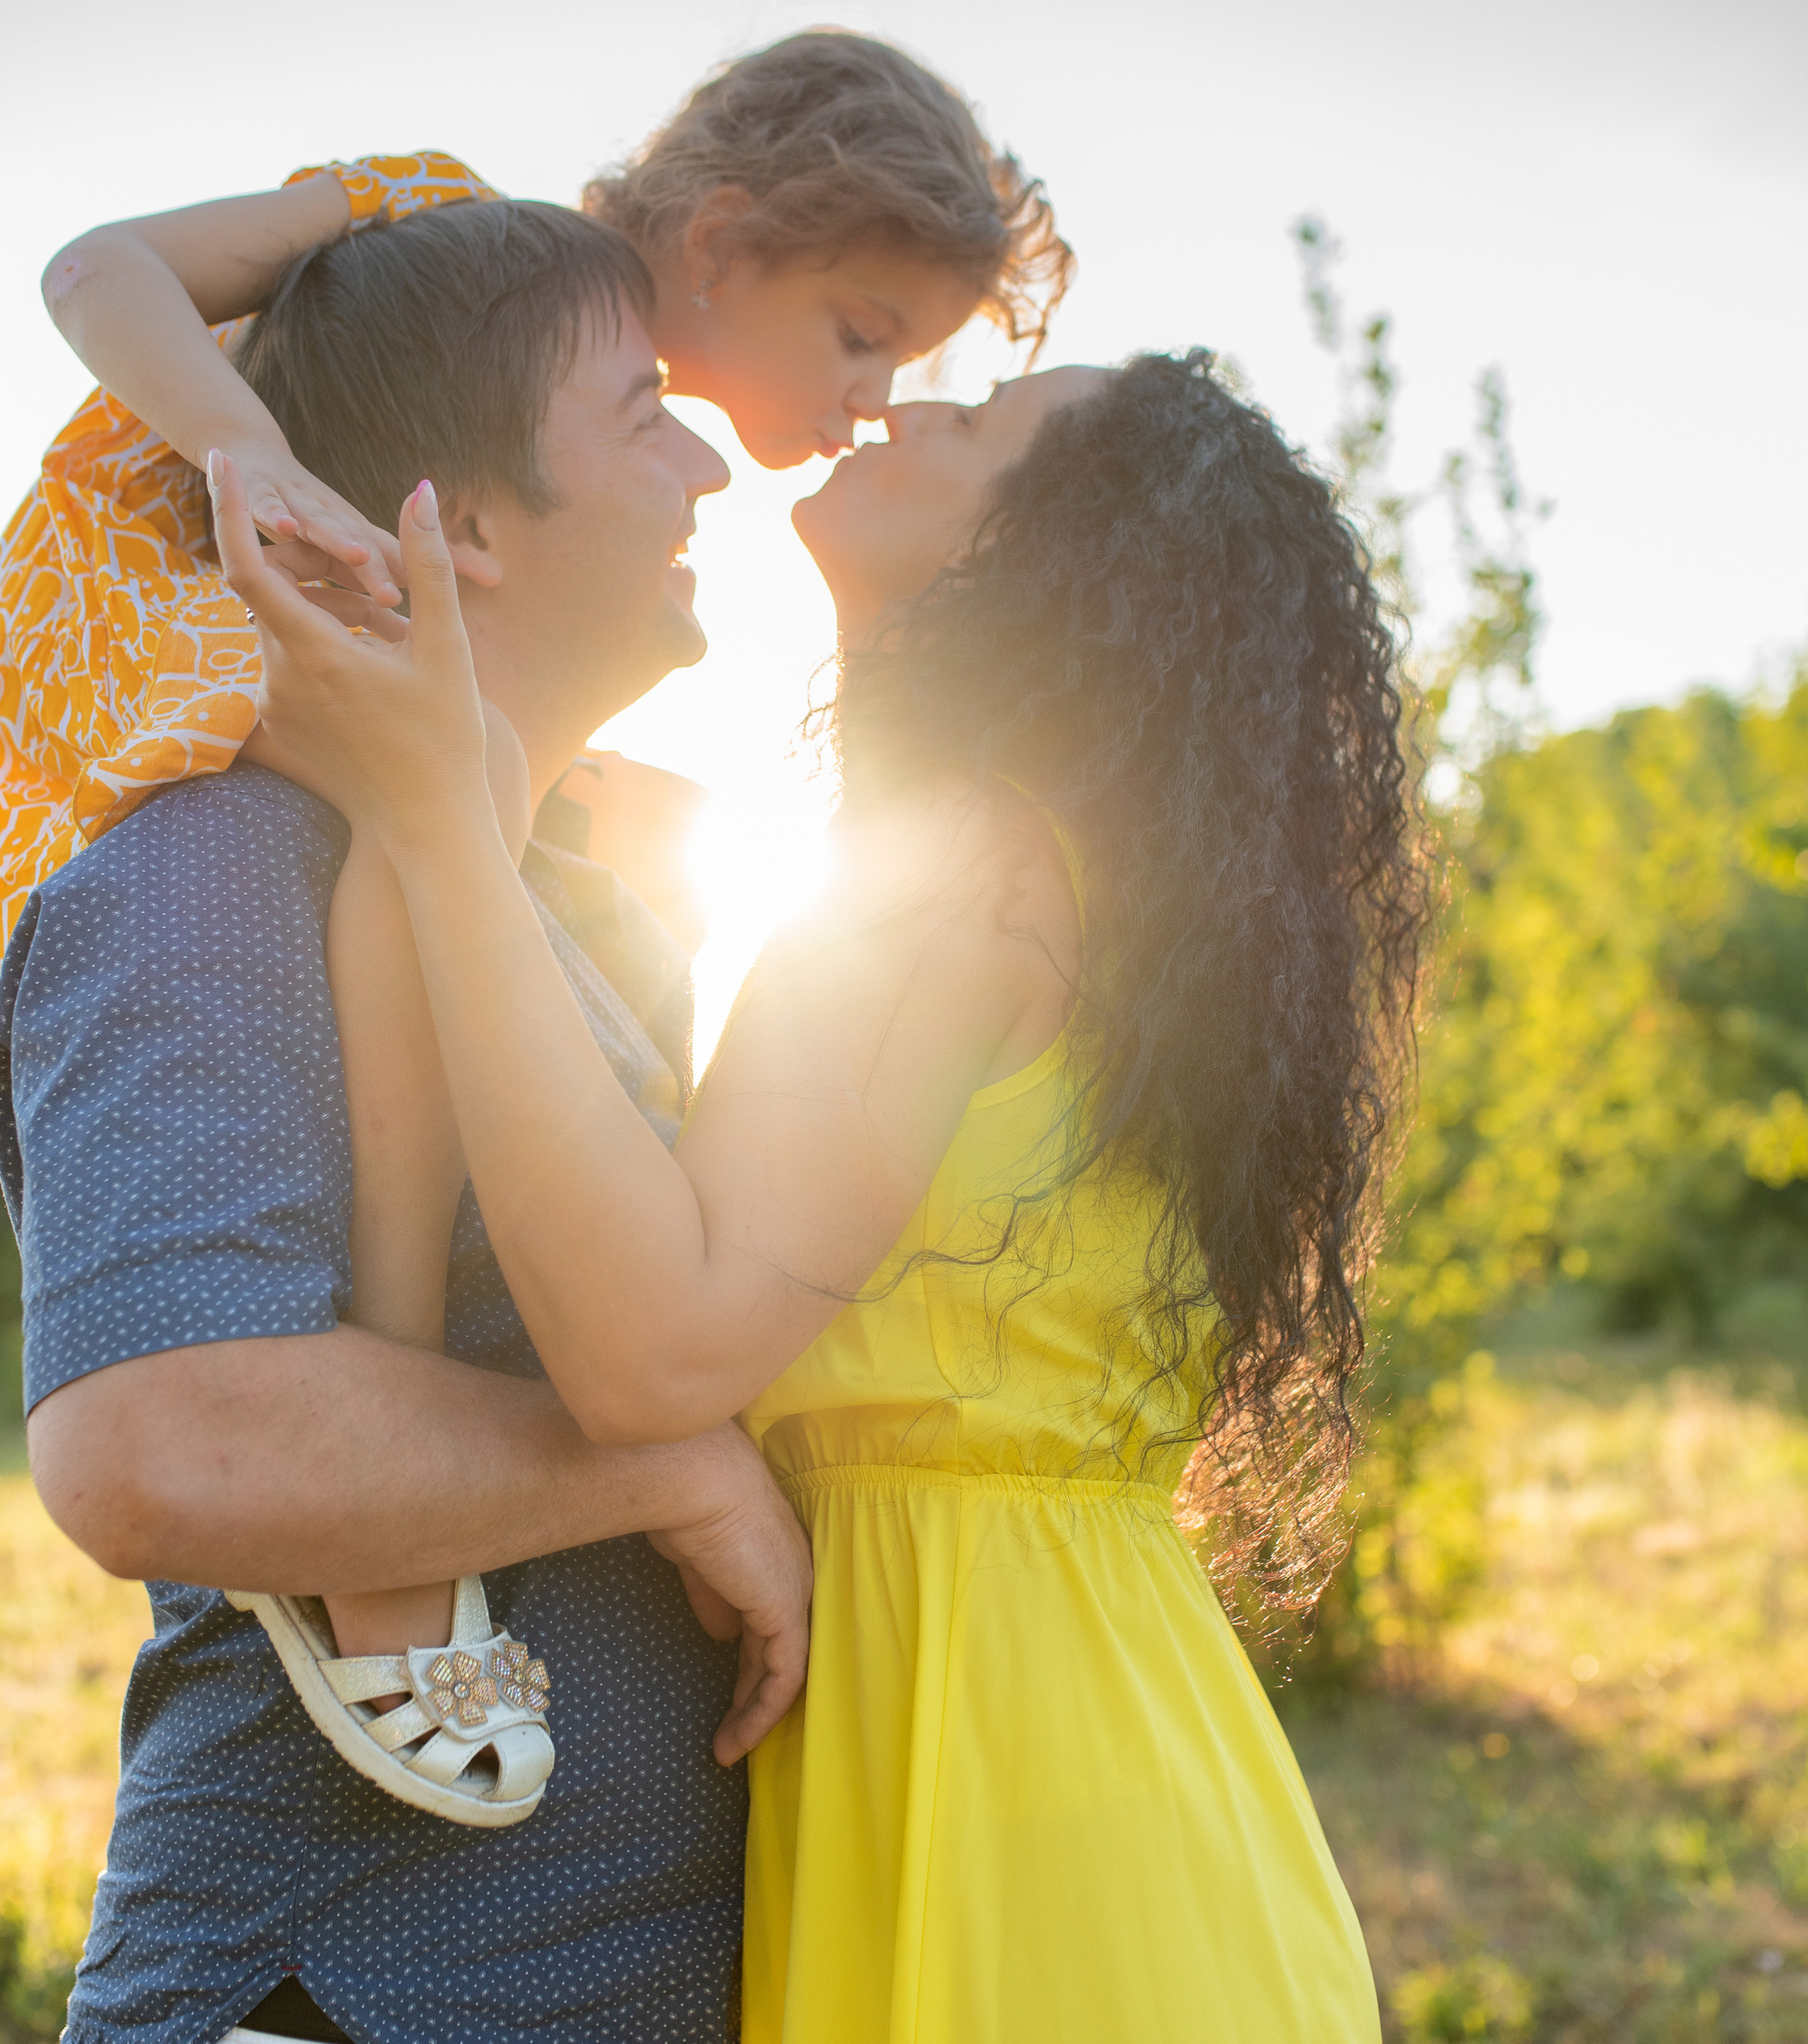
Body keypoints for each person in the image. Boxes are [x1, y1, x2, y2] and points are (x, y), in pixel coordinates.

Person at [0, 31, 1072, 1805]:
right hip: (225, 586)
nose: (868, 401)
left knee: (488, 811)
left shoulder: (547, 360)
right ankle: (382, 1497)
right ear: (725, 239)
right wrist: (242, 452)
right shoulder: (445, 240)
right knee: (459, 798)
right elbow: (97, 270)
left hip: (341, 595)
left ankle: (399, 1363)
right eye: (862, 334)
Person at [229, 349, 1432, 2038]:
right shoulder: (1065, 894)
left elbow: (655, 1351)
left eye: (988, 420)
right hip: (1088, 1741)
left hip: (1006, 1796)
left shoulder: (959, 868)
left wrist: (438, 810)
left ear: (1052, 553)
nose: (912, 404)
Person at [0, 199, 806, 2044]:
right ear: (469, 524)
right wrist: (661, 1468)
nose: (708, 469)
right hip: (348, 1989)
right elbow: (161, 1438)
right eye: (644, 408)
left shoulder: (576, 924)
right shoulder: (211, 870)